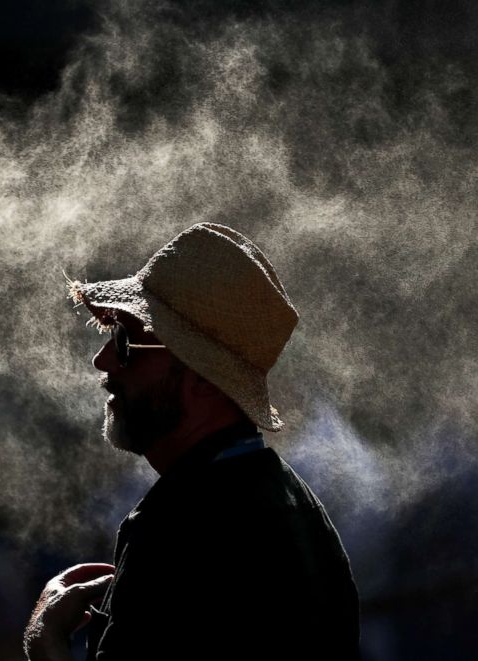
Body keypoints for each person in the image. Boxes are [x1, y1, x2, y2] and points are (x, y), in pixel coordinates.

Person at [24, 223, 360, 660]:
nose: (103, 359)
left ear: (201, 377)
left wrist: (45, 642)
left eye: (127, 341)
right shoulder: (299, 508)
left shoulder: (175, 527)